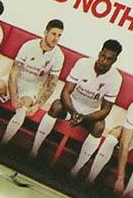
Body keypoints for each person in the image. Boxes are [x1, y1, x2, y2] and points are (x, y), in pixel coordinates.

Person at [29, 40, 123, 169]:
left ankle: (76, 170)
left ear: (114, 60)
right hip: (72, 105)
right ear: (99, 53)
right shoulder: (83, 63)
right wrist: (73, 112)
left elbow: (105, 110)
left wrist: (84, 118)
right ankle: (34, 151)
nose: (104, 61)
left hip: (90, 113)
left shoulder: (116, 78)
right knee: (56, 106)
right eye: (103, 56)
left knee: (99, 126)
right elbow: (65, 92)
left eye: (109, 59)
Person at [0, 20, 65, 142]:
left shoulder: (59, 56)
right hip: (18, 78)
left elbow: (51, 84)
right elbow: (14, 72)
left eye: (59, 35)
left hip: (32, 86)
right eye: (53, 34)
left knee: (25, 105)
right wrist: (14, 97)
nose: (56, 38)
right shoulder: (29, 45)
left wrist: (37, 105)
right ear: (45, 32)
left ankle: (3, 143)